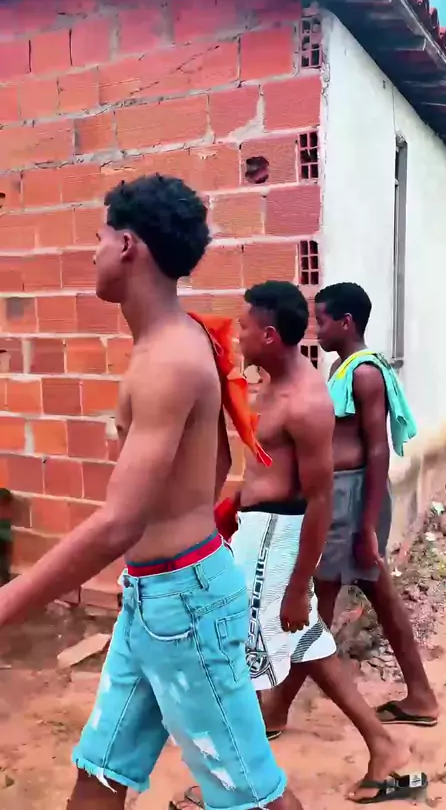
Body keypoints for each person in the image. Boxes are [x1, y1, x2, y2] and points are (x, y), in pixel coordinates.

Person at [0, 176, 302, 810]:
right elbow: (216, 462)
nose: (94, 253)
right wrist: (171, 539)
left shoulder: (168, 359)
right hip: (160, 596)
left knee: (253, 798)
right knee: (101, 771)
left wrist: (7, 603)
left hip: (183, 604)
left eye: (100, 237)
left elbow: (118, 522)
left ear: (128, 245)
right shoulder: (181, 341)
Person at [184, 281, 426, 805]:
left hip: (275, 539)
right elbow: (265, 461)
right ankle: (383, 746)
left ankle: (236, 780)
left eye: (245, 328)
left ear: (270, 335)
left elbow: (320, 498)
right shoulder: (274, 384)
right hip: (259, 530)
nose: (240, 336)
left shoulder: (307, 401)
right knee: (307, 644)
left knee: (241, 655)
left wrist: (297, 588)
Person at [267, 282, 438, 733]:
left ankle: (278, 708)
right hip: (343, 499)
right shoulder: (342, 369)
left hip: (351, 501)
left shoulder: (364, 374)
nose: (316, 329)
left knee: (318, 602)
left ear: (346, 322)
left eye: (322, 320)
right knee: (373, 593)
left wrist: (365, 527)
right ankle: (420, 694)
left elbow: (377, 451)